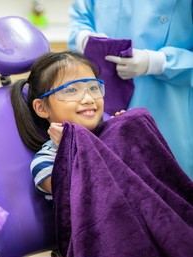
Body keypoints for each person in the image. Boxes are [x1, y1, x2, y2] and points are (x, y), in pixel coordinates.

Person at [67, 0, 193, 180]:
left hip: (169, 110)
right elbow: (80, 17)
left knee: (167, 189)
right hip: (104, 102)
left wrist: (157, 62)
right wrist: (85, 39)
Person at [10, 51, 124, 197]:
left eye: (94, 88)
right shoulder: (46, 162)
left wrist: (125, 139)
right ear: (42, 108)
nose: (89, 99)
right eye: (71, 90)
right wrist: (71, 145)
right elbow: (90, 194)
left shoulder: (109, 139)